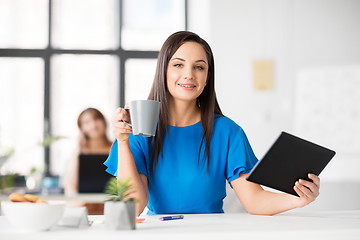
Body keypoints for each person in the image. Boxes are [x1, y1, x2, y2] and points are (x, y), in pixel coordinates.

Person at [104, 31, 320, 216]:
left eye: (199, 67)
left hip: (212, 232)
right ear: (163, 71)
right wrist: (123, 142)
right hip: (162, 232)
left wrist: (298, 200)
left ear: (207, 77)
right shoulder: (140, 130)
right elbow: (133, 207)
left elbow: (255, 200)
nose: (188, 74)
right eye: (178, 64)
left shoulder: (227, 132)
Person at [64, 108, 113, 195]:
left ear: (104, 122)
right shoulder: (79, 152)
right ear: (81, 129)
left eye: (96, 119)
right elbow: (71, 186)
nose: (93, 125)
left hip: (112, 201)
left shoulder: (116, 147)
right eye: (87, 122)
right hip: (85, 202)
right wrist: (79, 149)